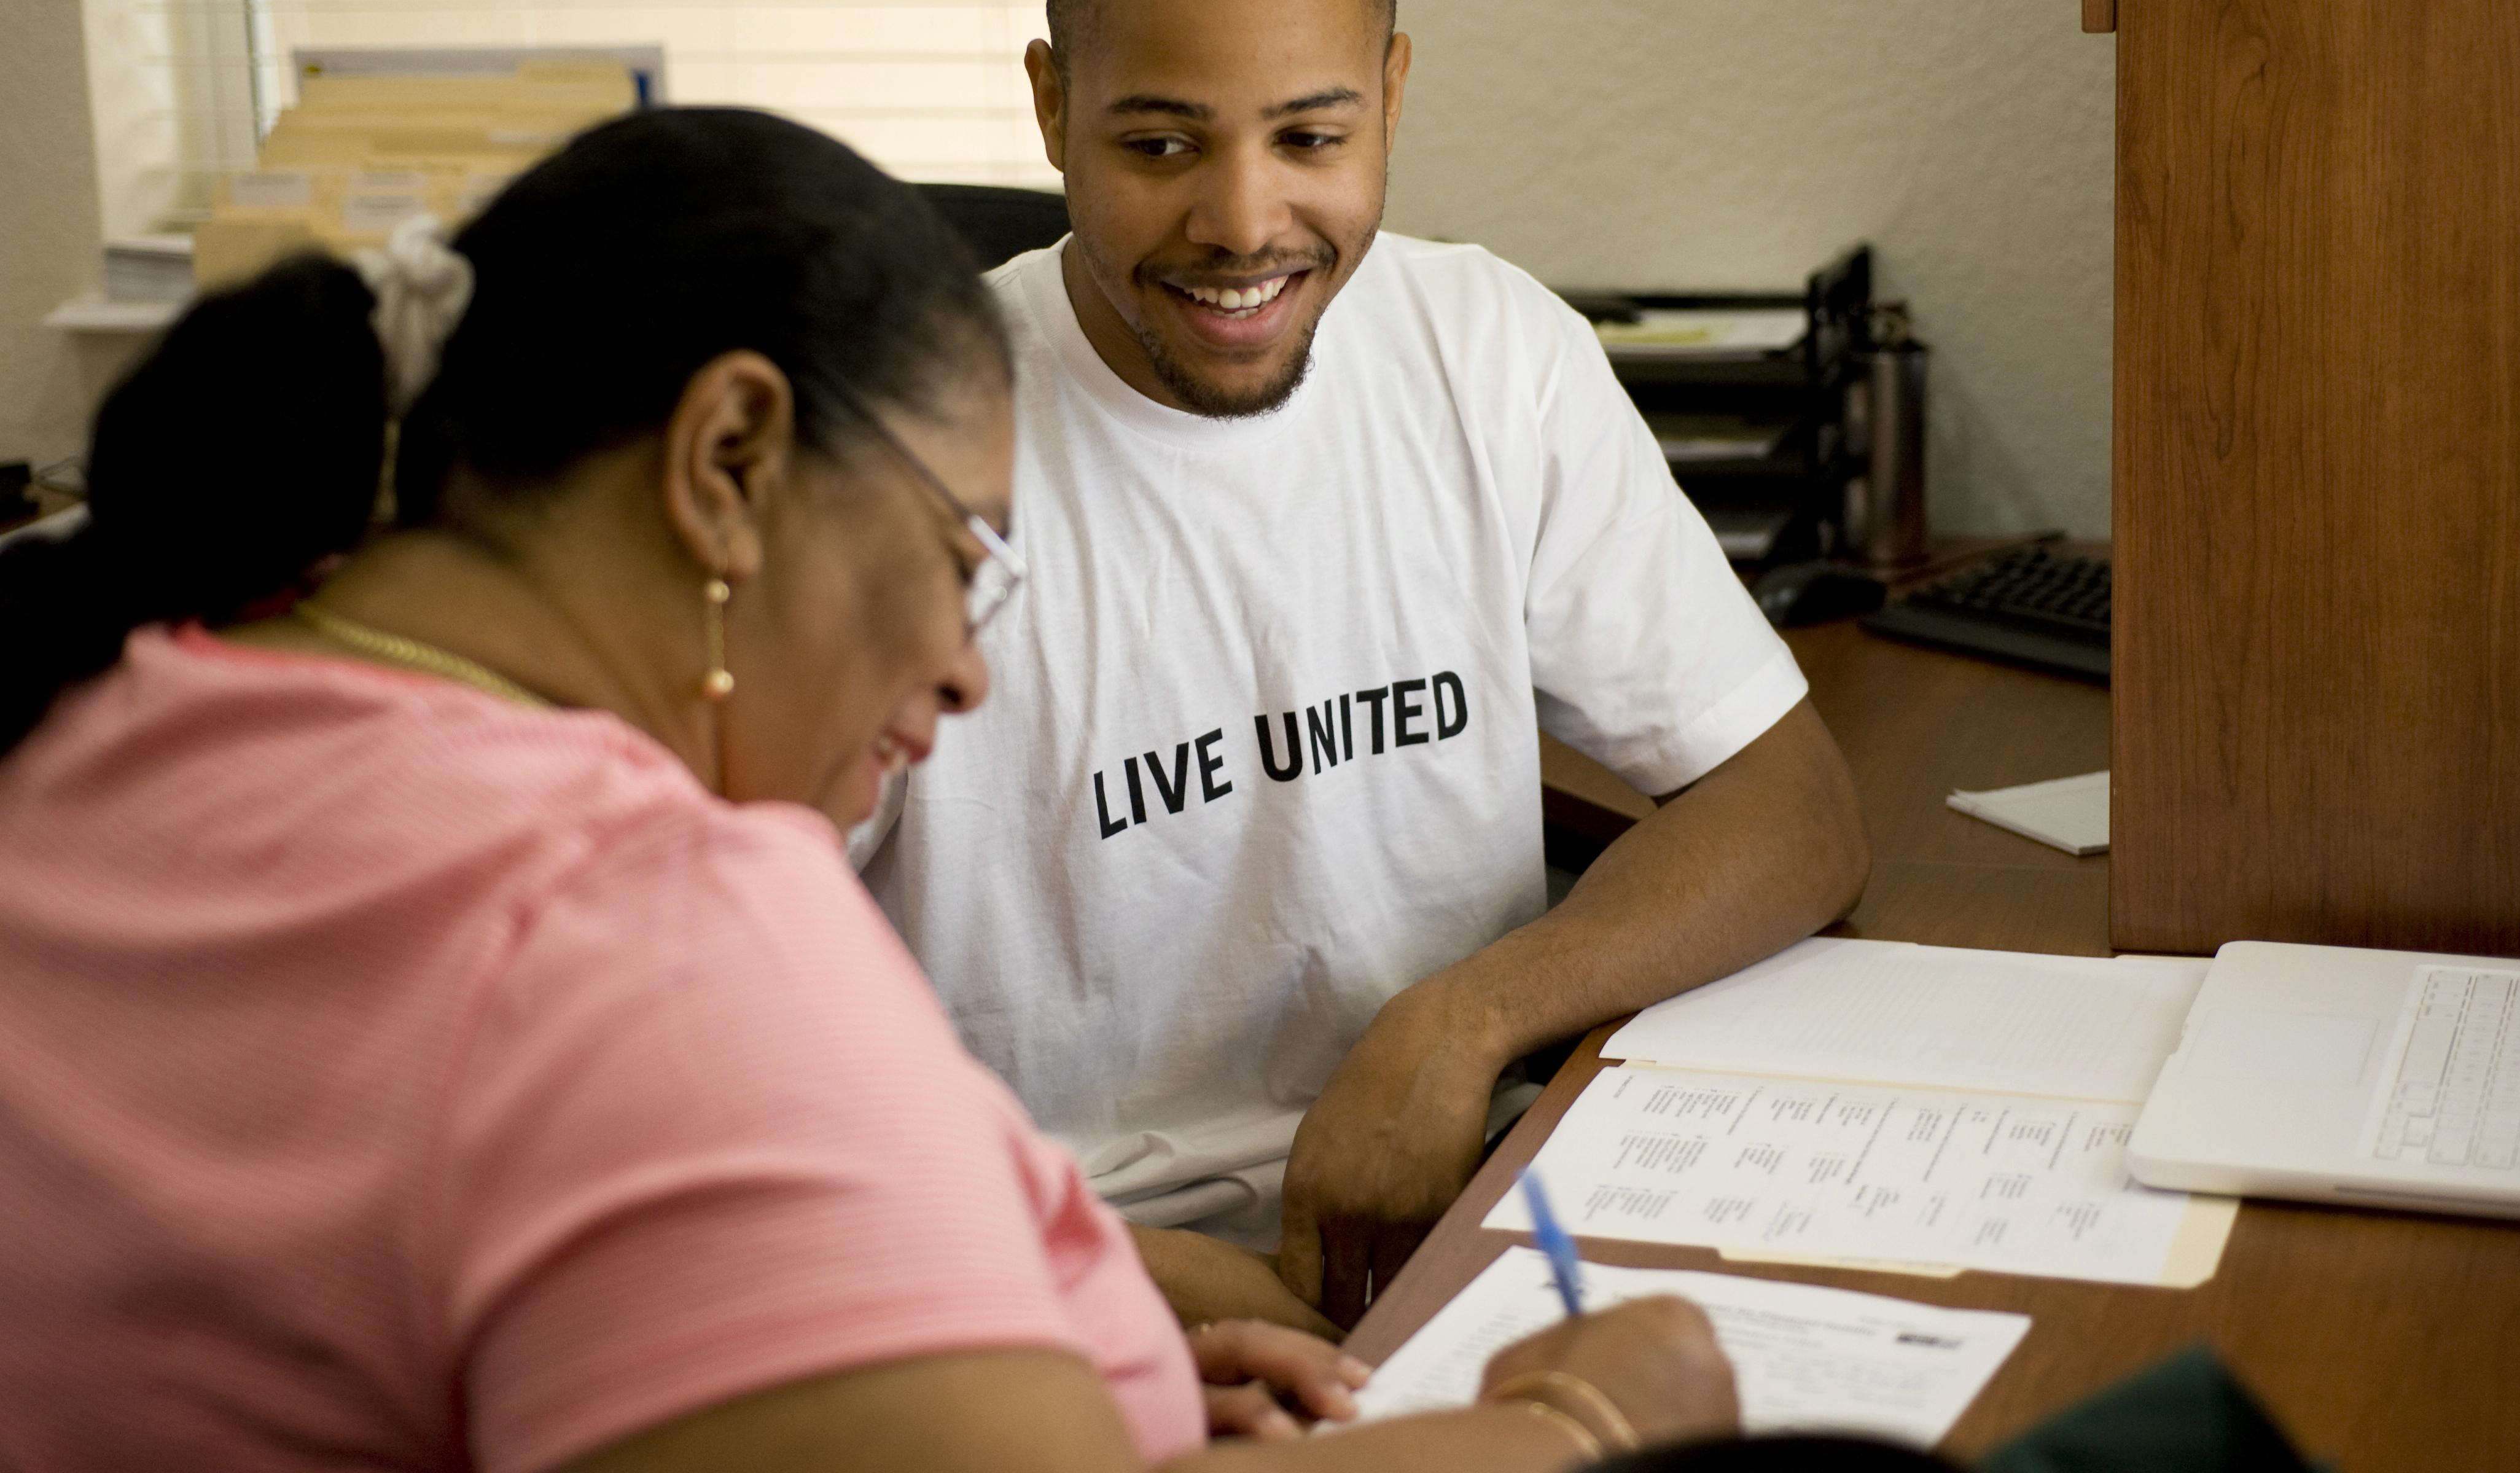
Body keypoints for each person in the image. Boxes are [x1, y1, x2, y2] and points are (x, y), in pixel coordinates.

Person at [0, 108, 1736, 1471]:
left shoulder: (125, 706)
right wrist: (1576, 1428)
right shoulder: (632, 929)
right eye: (963, 552)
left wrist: (966, 1335)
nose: (970, 667)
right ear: (731, 462)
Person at [857, 0, 1873, 1331]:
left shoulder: (1488, 350)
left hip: (1463, 1213)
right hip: (1046, 1279)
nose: (1244, 224)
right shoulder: (888, 451)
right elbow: (705, 1046)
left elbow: (1791, 809)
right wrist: (1139, 1281)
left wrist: (1465, 1021)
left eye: (1311, 138)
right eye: (1158, 144)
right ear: (1052, 103)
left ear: (1393, 94)